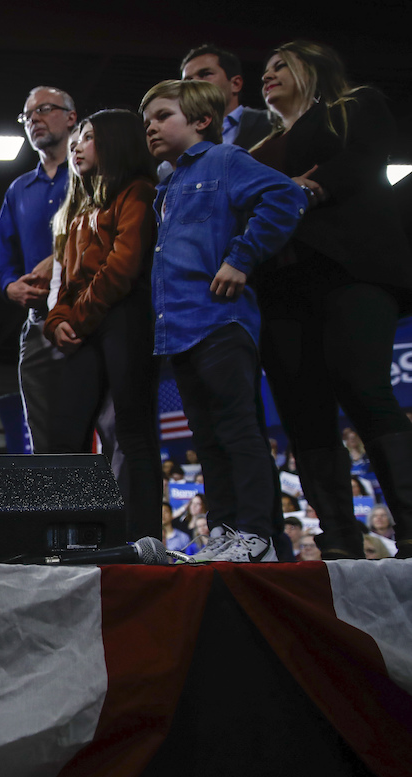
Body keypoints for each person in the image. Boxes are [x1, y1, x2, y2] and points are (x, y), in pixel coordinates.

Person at [250, 41, 412, 560]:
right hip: (281, 288)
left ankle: (409, 526)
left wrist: (307, 189)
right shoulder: (261, 148)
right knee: (303, 411)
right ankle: (339, 536)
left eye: (280, 66)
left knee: (363, 386)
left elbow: (364, 162)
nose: (268, 75)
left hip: (351, 271)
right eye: (265, 71)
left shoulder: (354, 106)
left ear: (311, 69)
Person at [141, 78, 306, 563]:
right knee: (208, 439)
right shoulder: (166, 185)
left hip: (220, 321)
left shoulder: (224, 161)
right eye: (146, 120)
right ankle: (227, 533)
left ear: (200, 120)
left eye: (162, 116)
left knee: (236, 431)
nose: (150, 127)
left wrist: (241, 257)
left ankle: (257, 536)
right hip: (180, 330)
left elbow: (285, 197)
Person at [44, 109, 161, 540]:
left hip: (125, 318)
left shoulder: (139, 192)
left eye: (88, 137)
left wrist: (78, 318)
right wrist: (55, 321)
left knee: (131, 430)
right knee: (64, 433)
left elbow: (122, 268)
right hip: (87, 327)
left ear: (115, 142)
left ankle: (140, 539)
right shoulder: (78, 216)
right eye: (76, 139)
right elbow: (67, 283)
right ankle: (71, 540)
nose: (76, 146)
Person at [0, 87, 77, 455]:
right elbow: (4, 259)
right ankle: (56, 513)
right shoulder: (18, 190)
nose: (34, 120)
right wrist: (10, 286)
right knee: (42, 433)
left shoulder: (89, 174)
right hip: (37, 321)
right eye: (27, 116)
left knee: (99, 426)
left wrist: (59, 258)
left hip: (86, 310)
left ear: (71, 117)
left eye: (44, 109)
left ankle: (104, 511)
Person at [180, 44, 273, 149]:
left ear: (235, 84)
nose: (194, 83)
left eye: (205, 74)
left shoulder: (271, 122)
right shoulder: (178, 137)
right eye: (188, 80)